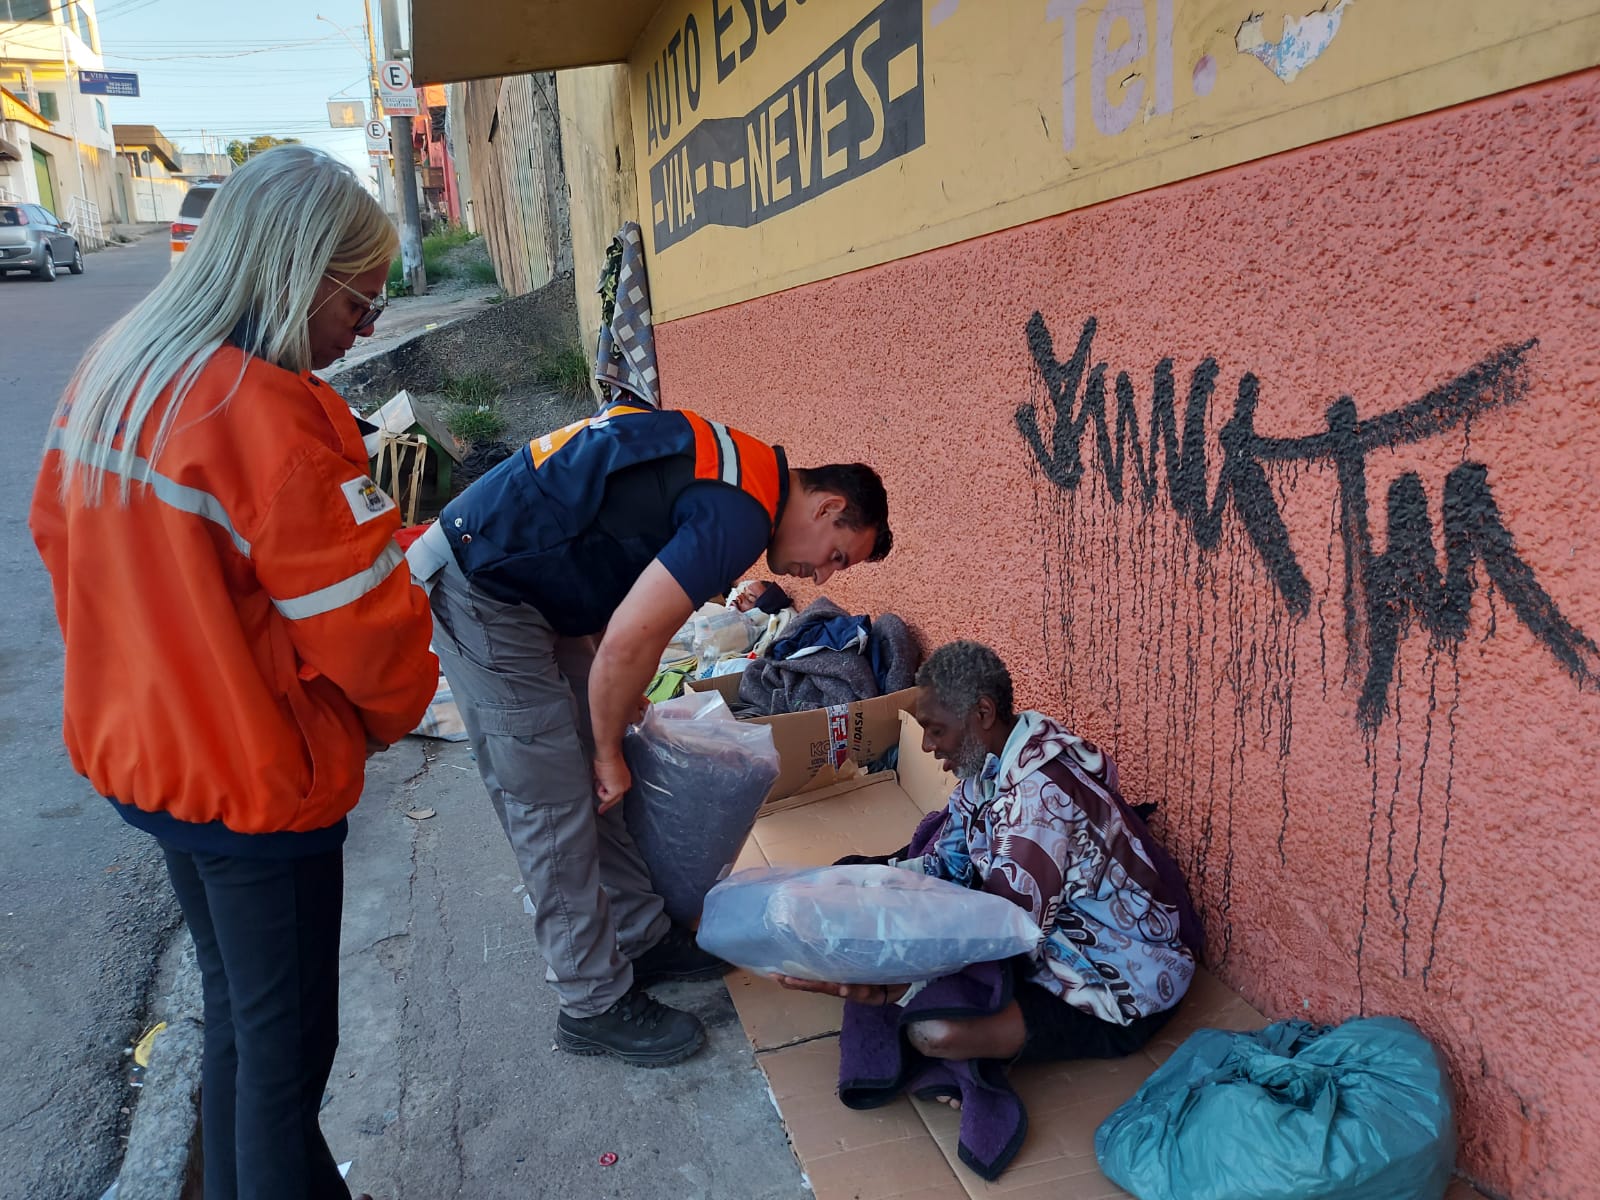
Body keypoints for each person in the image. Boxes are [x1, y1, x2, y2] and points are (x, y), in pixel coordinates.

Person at [29, 145, 437, 1200]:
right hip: (258, 783)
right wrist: (376, 723)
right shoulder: (268, 417)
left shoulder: (120, 377)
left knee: (243, 1024)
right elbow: (372, 638)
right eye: (361, 298)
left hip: (147, 765)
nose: (369, 324)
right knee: (286, 1059)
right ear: (297, 273)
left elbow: (58, 546)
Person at [406, 404, 893, 1066]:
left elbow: (615, 557)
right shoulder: (740, 510)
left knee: (592, 777)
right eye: (836, 554)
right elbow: (634, 637)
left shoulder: (744, 476)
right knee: (554, 799)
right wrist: (609, 749)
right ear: (828, 505)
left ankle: (639, 935)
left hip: (531, 588)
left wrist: (612, 707)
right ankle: (591, 1003)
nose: (823, 576)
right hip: (484, 587)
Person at [778, 640, 1197, 1078]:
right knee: (850, 876)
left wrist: (896, 983)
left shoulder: (1038, 804)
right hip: (1053, 935)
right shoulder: (989, 771)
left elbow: (999, 931)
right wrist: (864, 888)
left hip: (1123, 984)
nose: (926, 746)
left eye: (936, 730)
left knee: (933, 1031)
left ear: (982, 713)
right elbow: (948, 865)